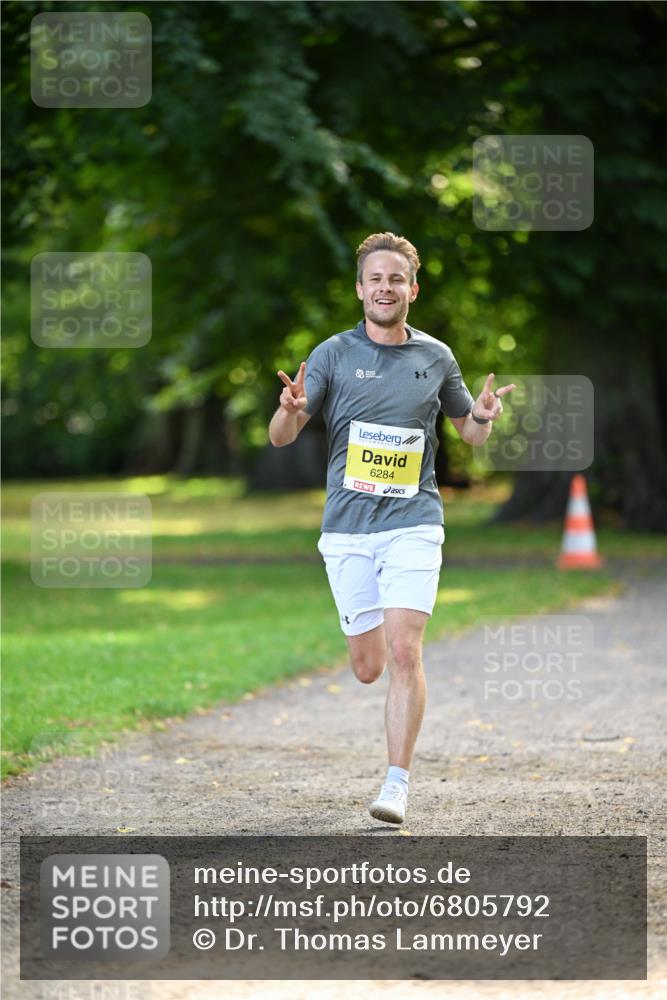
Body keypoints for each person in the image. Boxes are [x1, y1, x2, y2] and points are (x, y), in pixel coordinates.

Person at [268, 232, 514, 824]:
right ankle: (377, 691)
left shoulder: (436, 357)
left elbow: (469, 433)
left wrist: (481, 417)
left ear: (412, 289)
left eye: (396, 279)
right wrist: (290, 410)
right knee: (369, 666)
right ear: (360, 288)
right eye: (375, 278)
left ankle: (396, 783)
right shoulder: (330, 355)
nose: (385, 287)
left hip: (414, 521)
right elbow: (282, 437)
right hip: (348, 529)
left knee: (406, 649)